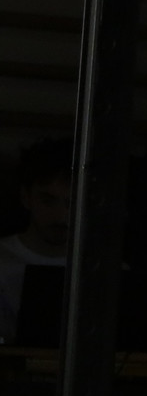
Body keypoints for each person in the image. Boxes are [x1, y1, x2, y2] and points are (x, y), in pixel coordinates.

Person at [0, 137, 71, 343]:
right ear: (26, 197)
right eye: (48, 201)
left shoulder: (109, 271)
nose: (61, 216)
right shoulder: (3, 260)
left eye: (72, 202)